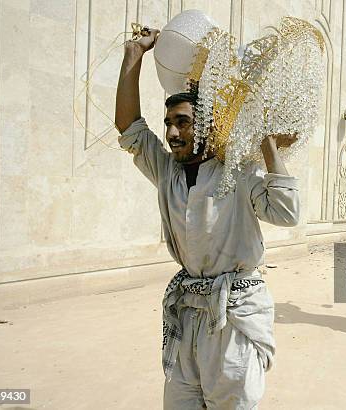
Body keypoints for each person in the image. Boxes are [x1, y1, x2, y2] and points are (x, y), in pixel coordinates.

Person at [115, 28, 299, 409]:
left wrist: (264, 138)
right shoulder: (166, 172)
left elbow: (286, 211)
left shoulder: (238, 172)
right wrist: (135, 54)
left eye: (182, 122)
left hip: (233, 318)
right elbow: (129, 126)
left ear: (205, 126)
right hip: (187, 317)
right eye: (168, 123)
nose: (170, 133)